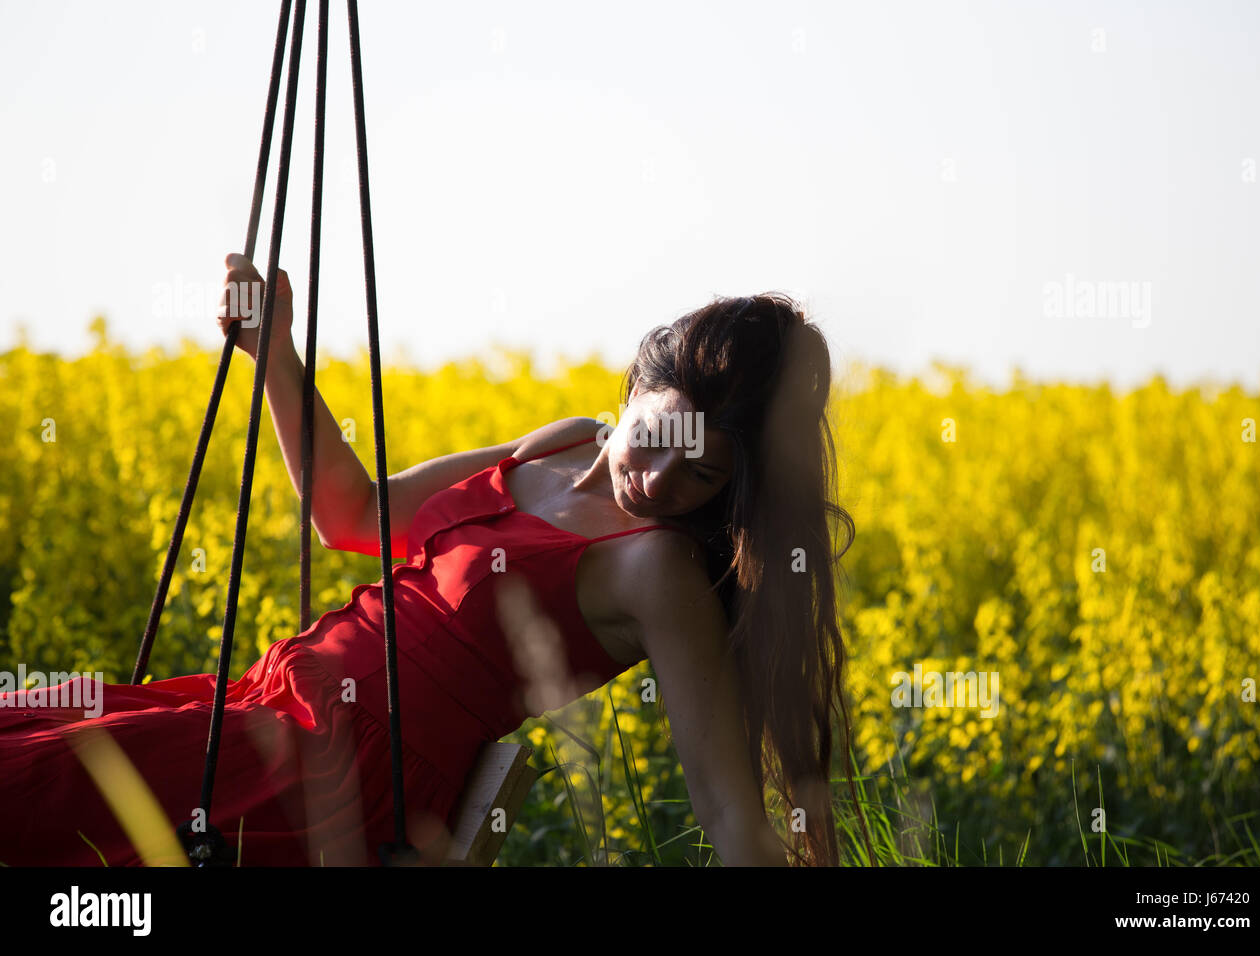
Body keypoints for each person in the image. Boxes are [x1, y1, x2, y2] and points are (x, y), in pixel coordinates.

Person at [0, 254, 866, 867]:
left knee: (32, 783)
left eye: (702, 475)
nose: (659, 478)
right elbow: (352, 513)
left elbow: (726, 809)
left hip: (331, 770)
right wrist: (275, 349)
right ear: (638, 390)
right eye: (656, 437)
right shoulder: (562, 443)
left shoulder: (658, 571)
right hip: (268, 698)